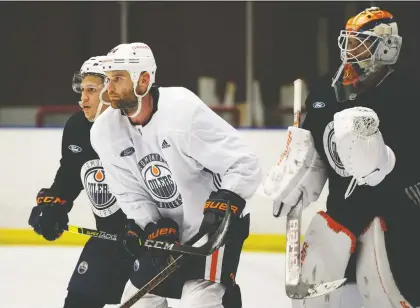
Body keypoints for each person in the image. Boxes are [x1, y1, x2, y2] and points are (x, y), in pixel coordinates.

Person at [263, 6, 420, 308]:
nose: (350, 50)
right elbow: (315, 147)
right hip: (342, 219)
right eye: (348, 41)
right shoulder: (327, 88)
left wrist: (377, 158)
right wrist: (300, 171)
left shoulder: (409, 93)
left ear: (386, 49)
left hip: (395, 222)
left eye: (360, 43)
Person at [90, 42, 261, 308]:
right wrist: (150, 225)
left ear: (143, 80)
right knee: (138, 301)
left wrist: (225, 202)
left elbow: (243, 162)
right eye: (108, 79)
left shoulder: (183, 111)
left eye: (118, 79)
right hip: (165, 233)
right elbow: (128, 191)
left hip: (213, 229)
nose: (109, 88)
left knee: (200, 300)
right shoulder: (105, 131)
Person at [28, 56, 135, 308]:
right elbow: (70, 172)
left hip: (145, 241)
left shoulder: (135, 127)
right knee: (78, 302)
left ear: (110, 92)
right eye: (82, 91)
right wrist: (55, 202)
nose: (83, 99)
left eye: (91, 91)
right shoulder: (77, 126)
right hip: (107, 239)